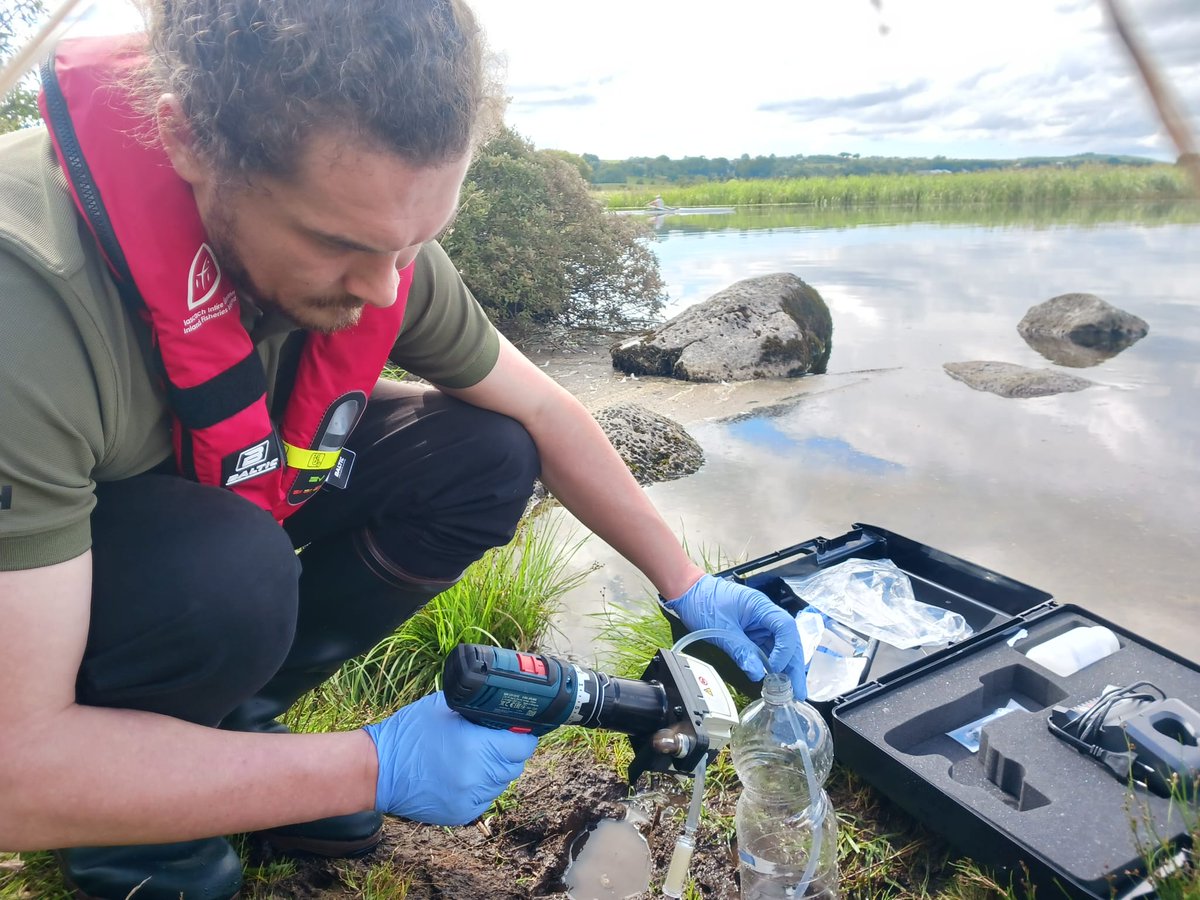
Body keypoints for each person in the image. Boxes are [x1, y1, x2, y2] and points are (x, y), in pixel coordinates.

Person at [0, 1, 804, 897]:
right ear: (187, 140)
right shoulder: (21, 302)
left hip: (171, 521)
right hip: (44, 610)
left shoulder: (379, 243)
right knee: (229, 571)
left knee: (483, 454)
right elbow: (9, 772)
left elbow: (543, 411)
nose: (384, 288)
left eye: (417, 241)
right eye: (338, 243)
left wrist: (685, 583)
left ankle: (227, 742)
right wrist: (366, 767)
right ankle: (131, 839)